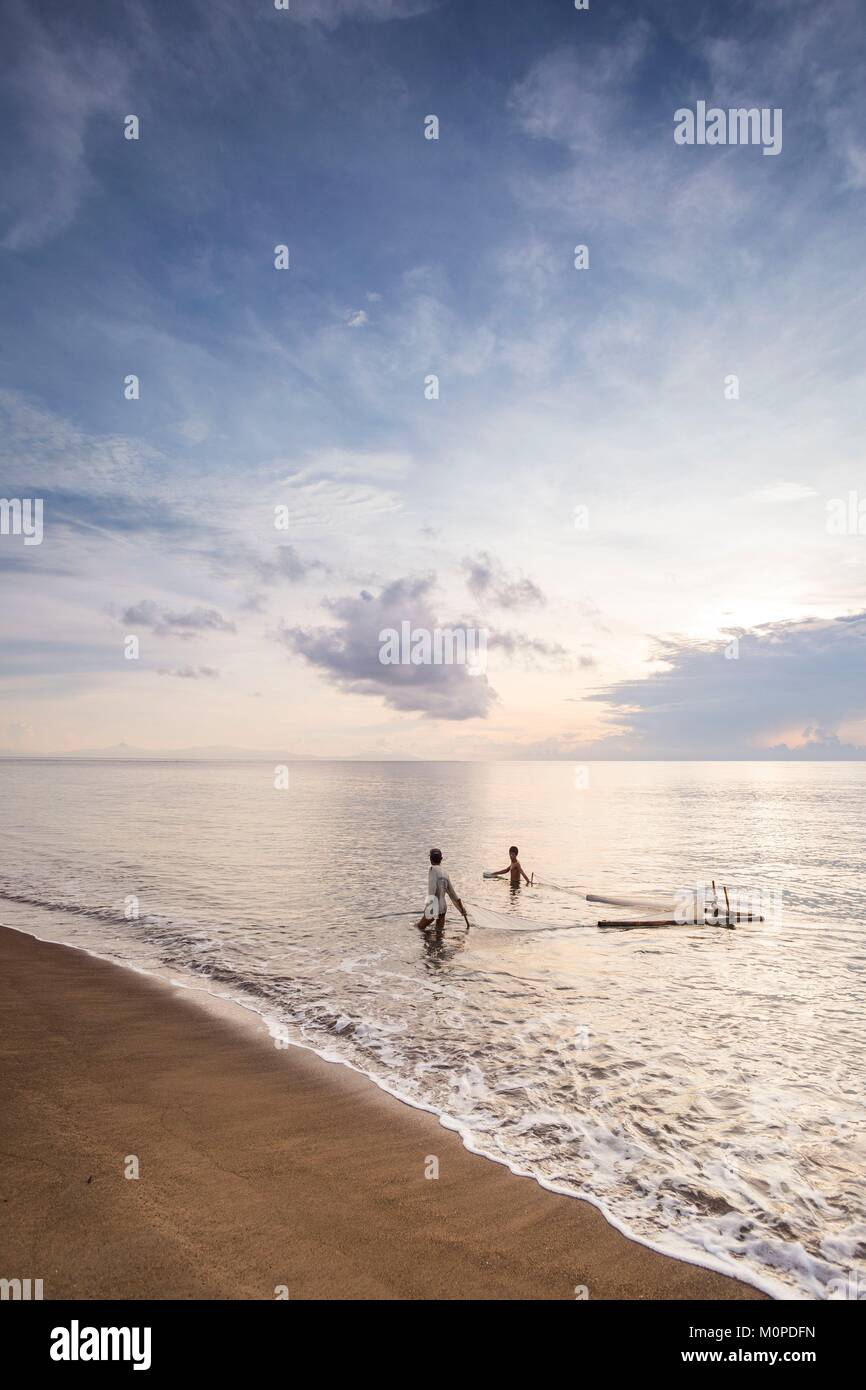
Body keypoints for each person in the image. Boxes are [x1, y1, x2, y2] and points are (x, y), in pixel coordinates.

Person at [414, 848, 468, 933]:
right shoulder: (445, 873)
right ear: (441, 859)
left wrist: (429, 907)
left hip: (434, 906)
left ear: (430, 859)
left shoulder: (432, 869)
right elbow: (452, 894)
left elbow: (432, 890)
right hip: (443, 908)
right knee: (439, 934)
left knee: (419, 928)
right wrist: (462, 909)